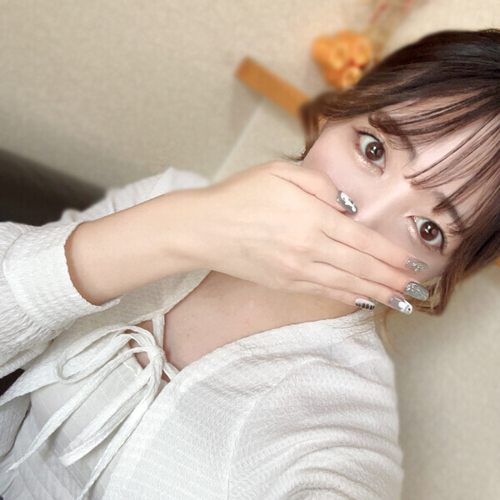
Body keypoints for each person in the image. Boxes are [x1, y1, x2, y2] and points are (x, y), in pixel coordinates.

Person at [0, 28, 499, 500]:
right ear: (333, 115)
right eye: (373, 150)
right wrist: (179, 232)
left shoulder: (341, 437)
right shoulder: (169, 197)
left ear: (441, 275)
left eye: (428, 230)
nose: (361, 219)